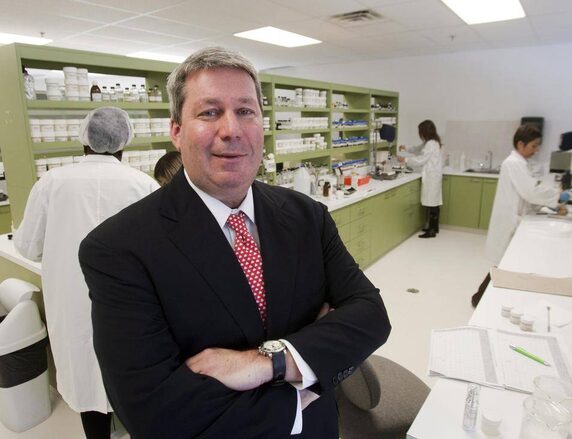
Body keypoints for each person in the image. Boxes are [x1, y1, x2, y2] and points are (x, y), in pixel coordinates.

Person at [78, 47, 391, 438]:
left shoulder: (307, 217)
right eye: (209, 112)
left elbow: (371, 315)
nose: (232, 129)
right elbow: (153, 411)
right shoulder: (119, 248)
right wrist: (301, 387)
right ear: (176, 131)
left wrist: (269, 363)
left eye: (245, 111)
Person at [14, 107, 159, 439]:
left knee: (83, 376)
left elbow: (27, 246)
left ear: (84, 140)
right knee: (129, 375)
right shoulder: (144, 185)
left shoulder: (51, 183)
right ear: (124, 142)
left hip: (71, 303)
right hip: (129, 304)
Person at [471, 124, 564, 307]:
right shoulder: (514, 163)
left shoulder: (519, 163)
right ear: (521, 144)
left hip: (515, 219)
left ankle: (485, 298)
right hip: (510, 221)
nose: (536, 150)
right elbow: (530, 191)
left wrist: (549, 203)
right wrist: (558, 196)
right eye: (533, 146)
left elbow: (528, 192)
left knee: (505, 262)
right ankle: (479, 298)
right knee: (503, 263)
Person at [399, 120, 443, 238]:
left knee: (432, 204)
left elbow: (421, 160)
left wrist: (405, 160)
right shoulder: (431, 142)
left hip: (432, 178)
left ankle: (431, 231)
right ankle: (434, 227)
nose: (420, 134)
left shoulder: (431, 144)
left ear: (425, 131)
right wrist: (406, 149)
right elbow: (418, 149)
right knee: (433, 203)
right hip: (433, 177)